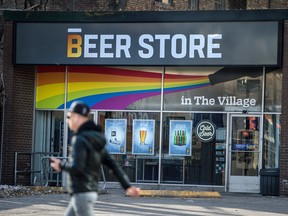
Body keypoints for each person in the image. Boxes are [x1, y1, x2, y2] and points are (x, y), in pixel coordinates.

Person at [50, 101, 140, 216]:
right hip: (88, 191)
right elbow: (113, 165)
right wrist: (127, 186)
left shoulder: (80, 139)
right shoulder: (96, 138)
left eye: (69, 116)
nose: (67, 120)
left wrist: (60, 165)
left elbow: (77, 167)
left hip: (82, 192)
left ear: (77, 117)